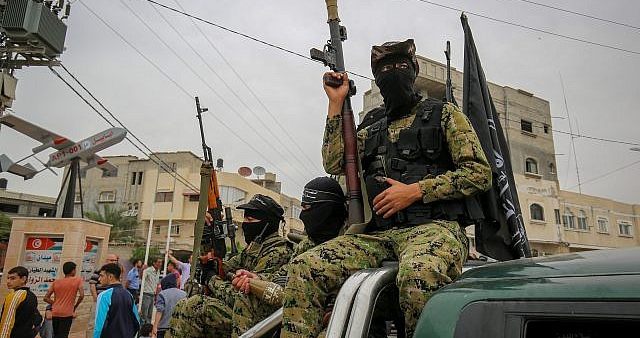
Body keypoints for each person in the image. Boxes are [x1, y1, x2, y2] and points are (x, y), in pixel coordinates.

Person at [280, 39, 492, 338]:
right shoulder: (373, 125)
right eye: (385, 68)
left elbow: (480, 173)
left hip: (434, 229)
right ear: (376, 78)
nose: (394, 72)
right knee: (304, 267)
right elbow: (335, 161)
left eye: (401, 66)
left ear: (414, 71)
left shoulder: (444, 115)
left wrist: (416, 190)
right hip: (379, 236)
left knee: (420, 275)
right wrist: (335, 103)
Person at [230, 177, 348, 337]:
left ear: (327, 210)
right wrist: (258, 278)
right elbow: (285, 274)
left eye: (307, 209)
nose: (303, 216)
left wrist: (212, 279)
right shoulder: (308, 244)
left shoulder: (347, 245)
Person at [168, 194, 293, 338]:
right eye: (245, 218)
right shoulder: (253, 249)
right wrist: (207, 234)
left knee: (196, 306)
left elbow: (244, 298)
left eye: (250, 219)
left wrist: (211, 279)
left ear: (267, 224)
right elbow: (218, 267)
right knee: (183, 304)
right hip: (240, 316)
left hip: (258, 322)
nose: (245, 224)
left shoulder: (278, 252)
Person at [94, 263, 140, 338]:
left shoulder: (104, 295)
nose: (99, 279)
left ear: (110, 276)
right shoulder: (128, 295)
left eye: (102, 276)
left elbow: (100, 326)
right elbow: (136, 321)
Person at [43, 261, 84, 338]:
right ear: (73, 271)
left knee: (56, 334)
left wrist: (55, 303)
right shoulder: (77, 280)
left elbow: (45, 298)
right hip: (67, 313)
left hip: (55, 312)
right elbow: (81, 295)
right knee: (63, 335)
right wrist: (75, 306)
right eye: (75, 269)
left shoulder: (56, 282)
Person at [0, 266, 42, 338]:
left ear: (23, 279)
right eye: (8, 278)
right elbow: (36, 317)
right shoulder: (32, 296)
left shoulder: (14, 296)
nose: (8, 281)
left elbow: (7, 322)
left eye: (13, 278)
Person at [152, 273, 186, 338]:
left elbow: (160, 311)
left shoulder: (162, 294)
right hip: (179, 328)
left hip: (164, 328)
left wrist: (155, 326)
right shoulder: (184, 294)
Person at [140, 257, 162, 324]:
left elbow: (156, 283)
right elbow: (141, 277)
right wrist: (142, 270)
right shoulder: (148, 270)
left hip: (153, 295)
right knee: (144, 315)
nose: (160, 264)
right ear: (154, 263)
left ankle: (147, 330)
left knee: (150, 315)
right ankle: (141, 331)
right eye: (159, 262)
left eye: (161, 262)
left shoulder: (158, 271)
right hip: (146, 294)